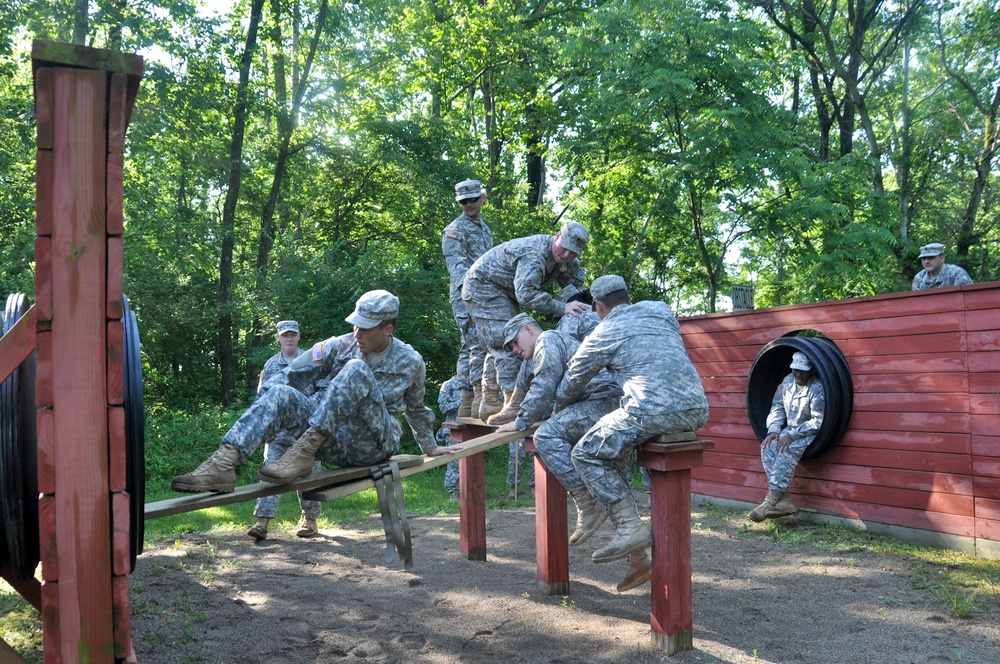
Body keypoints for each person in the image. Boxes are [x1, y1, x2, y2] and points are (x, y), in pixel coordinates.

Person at [171, 290, 461, 497]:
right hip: (333, 440)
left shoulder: (410, 361)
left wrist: (428, 446)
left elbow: (416, 408)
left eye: (366, 328)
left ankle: (305, 451)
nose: (357, 333)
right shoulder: (339, 345)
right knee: (280, 390)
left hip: (374, 442)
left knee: (355, 371)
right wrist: (267, 417)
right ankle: (222, 464)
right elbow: (291, 374)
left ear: (387, 329)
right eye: (355, 325)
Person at [555, 275, 709, 591]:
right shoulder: (660, 310)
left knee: (585, 452)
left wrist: (558, 406)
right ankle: (639, 558)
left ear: (598, 306)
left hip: (651, 410)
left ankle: (629, 527)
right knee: (615, 445)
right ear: (627, 296)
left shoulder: (603, 332)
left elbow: (573, 381)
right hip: (696, 407)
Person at [496, 312, 626, 574]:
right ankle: (634, 550)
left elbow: (543, 386)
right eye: (510, 347)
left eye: (515, 341)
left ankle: (587, 501)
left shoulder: (547, 341)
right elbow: (533, 385)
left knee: (545, 436)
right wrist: (516, 412)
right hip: (595, 402)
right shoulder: (539, 350)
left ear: (529, 329)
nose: (514, 349)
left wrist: (521, 422)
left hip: (603, 400)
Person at [462, 222, 590, 423]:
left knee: (500, 341)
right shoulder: (534, 255)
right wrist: (560, 308)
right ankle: (512, 403)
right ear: (557, 236)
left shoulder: (567, 259)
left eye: (572, 252)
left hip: (503, 291)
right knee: (511, 340)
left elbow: (577, 288)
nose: (566, 255)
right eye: (564, 248)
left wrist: (588, 307)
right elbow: (526, 294)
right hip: (484, 286)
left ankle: (488, 401)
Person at [247, 320, 324, 540]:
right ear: (279, 338)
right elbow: (262, 399)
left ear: (299, 336)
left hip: (306, 433)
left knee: (309, 476)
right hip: (278, 434)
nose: (289, 339)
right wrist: (265, 428)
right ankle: (262, 523)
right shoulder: (271, 365)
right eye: (284, 335)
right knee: (270, 475)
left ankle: (310, 521)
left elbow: (323, 392)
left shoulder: (312, 361)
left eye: (292, 335)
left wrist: (312, 418)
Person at [749, 352, 825, 522]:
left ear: (811, 371)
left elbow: (818, 421)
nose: (798, 374)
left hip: (808, 432)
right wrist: (774, 429)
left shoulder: (817, 389)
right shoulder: (787, 382)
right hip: (788, 430)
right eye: (795, 370)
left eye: (802, 371)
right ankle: (784, 500)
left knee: (785, 450)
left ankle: (770, 502)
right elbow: (777, 406)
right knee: (768, 446)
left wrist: (792, 435)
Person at [442, 179, 494, 419]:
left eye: (472, 199)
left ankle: (468, 401)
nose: (468, 204)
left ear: (482, 198)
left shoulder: (485, 229)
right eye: (463, 201)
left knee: (470, 344)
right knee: (476, 343)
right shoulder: (454, 230)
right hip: (466, 294)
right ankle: (477, 397)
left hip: (484, 293)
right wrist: (475, 295)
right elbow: (458, 268)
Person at [438, 376, 462, 501]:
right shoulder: (449, 385)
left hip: (471, 429)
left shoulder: (474, 384)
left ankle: (469, 490)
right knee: (454, 462)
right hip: (453, 429)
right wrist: (462, 403)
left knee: (472, 461)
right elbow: (443, 408)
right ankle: (453, 491)